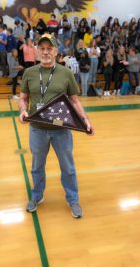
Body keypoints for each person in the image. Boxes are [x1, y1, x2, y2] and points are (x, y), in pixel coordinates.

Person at [18, 34, 94, 218]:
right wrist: (22, 110)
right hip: (37, 129)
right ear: (37, 51)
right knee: (37, 166)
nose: (45, 52)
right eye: (42, 48)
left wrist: (85, 120)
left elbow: (75, 101)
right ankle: (37, 196)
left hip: (61, 130)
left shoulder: (66, 73)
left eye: (49, 49)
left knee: (68, 167)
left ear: (55, 51)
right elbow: (23, 98)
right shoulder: (29, 73)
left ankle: (73, 200)